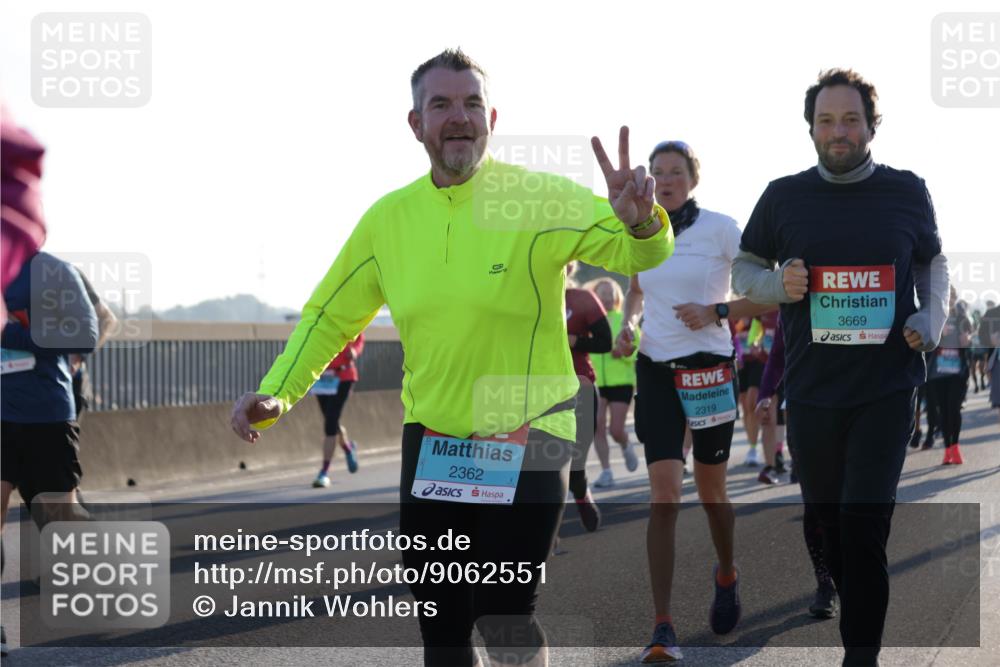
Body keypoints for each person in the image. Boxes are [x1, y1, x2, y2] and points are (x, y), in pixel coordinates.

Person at [230, 49, 674, 667]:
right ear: (416, 124)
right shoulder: (387, 220)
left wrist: (642, 223)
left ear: (492, 119)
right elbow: (330, 314)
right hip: (435, 437)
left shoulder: (538, 199)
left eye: (471, 103)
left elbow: (638, 254)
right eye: (440, 104)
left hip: (532, 430)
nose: (458, 117)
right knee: (441, 625)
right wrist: (279, 390)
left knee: (501, 611)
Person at [732, 69, 948, 667]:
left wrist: (930, 316)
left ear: (871, 126)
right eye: (826, 121)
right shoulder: (783, 196)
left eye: (851, 119)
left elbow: (932, 263)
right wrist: (777, 283)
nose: (838, 131)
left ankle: (861, 655)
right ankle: (853, 614)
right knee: (828, 524)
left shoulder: (906, 190)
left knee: (865, 525)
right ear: (811, 129)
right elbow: (744, 269)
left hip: (886, 387)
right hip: (813, 391)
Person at [616, 140, 772, 662]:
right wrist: (627, 326)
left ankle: (726, 572)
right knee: (664, 496)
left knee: (711, 493)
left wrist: (716, 312)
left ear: (693, 178)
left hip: (708, 370)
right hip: (656, 369)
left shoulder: (721, 229)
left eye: (675, 172)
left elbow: (765, 290)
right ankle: (662, 626)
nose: (665, 180)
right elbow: (636, 291)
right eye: (657, 172)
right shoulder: (641, 231)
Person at [755, 318, 838, 618]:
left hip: (855, 405)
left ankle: (849, 572)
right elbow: (779, 351)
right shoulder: (792, 298)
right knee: (814, 503)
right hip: (804, 406)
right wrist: (766, 393)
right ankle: (825, 582)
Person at [563, 262, 611, 530]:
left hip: (580, 384)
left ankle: (581, 492)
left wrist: (575, 341)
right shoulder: (525, 295)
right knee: (546, 460)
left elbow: (605, 342)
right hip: (539, 388)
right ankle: (548, 528)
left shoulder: (582, 299)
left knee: (576, 458)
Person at [586, 276, 640, 488]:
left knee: (616, 430)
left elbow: (637, 348)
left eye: (611, 294)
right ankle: (606, 471)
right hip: (597, 382)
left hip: (621, 382)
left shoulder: (623, 320)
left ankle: (625, 444)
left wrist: (624, 354)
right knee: (597, 425)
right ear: (594, 296)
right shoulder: (589, 321)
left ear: (618, 297)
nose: (608, 298)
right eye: (603, 294)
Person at [926, 287, 973, 465]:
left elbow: (969, 339)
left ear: (955, 297)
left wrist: (966, 340)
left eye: (951, 296)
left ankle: (955, 447)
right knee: (944, 411)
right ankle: (947, 450)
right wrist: (938, 335)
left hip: (957, 373)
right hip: (938, 373)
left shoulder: (962, 318)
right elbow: (924, 341)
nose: (949, 299)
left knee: (954, 409)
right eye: (946, 295)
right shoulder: (934, 317)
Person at [310, 332, 364, 487]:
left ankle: (324, 472)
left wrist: (355, 351)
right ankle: (348, 448)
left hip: (344, 376)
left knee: (330, 423)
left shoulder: (348, 319)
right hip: (322, 378)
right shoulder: (317, 321)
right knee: (331, 420)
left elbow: (359, 338)